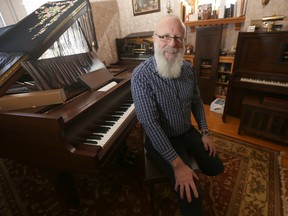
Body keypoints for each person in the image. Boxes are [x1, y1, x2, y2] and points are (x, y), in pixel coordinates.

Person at [131, 14, 224, 216]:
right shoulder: (141, 76)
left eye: (178, 38)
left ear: (184, 42)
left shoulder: (189, 69)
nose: (172, 44)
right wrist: (178, 166)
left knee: (216, 167)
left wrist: (205, 132)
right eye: (165, 36)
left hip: (186, 131)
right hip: (160, 138)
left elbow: (197, 102)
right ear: (154, 39)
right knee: (192, 197)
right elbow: (150, 124)